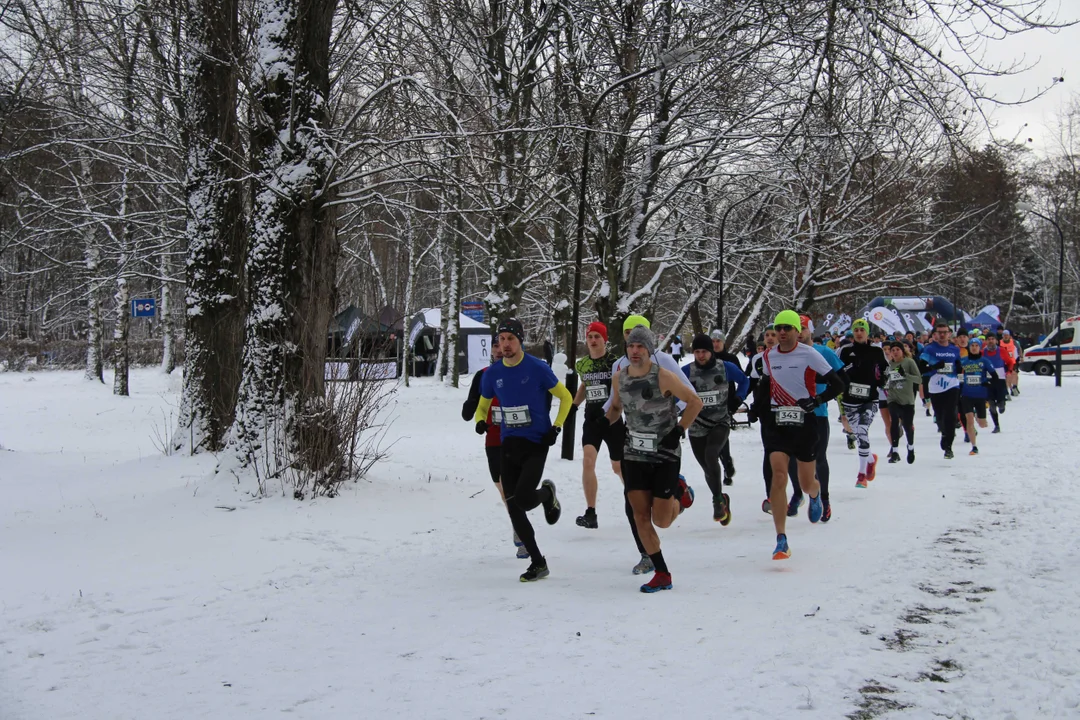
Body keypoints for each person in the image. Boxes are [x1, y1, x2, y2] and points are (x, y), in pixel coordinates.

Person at [604, 325, 703, 592]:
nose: (635, 351)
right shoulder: (619, 378)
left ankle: (679, 493)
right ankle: (662, 573)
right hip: (633, 453)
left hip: (664, 454)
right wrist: (605, 422)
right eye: (631, 346)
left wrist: (680, 430)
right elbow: (615, 408)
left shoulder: (665, 377)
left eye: (641, 347)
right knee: (639, 516)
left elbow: (695, 402)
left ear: (649, 350)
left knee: (662, 520)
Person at [474, 318, 574, 582]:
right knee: (513, 506)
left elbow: (565, 397)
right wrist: (480, 421)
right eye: (501, 340)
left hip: (536, 442)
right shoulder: (492, 374)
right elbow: (482, 406)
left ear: (520, 341)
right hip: (509, 443)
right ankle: (538, 562)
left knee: (524, 498)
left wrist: (557, 427)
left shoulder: (537, 368)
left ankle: (547, 493)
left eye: (511, 339)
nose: (505, 345)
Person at [754, 310, 844, 560]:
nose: (782, 332)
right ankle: (781, 538)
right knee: (779, 476)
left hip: (805, 423)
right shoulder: (768, 356)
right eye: (778, 328)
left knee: (806, 481)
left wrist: (816, 400)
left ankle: (814, 495)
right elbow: (766, 386)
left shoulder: (809, 354)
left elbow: (838, 384)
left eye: (787, 328)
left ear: (796, 331)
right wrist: (757, 409)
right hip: (778, 423)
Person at [461, 339, 526, 558]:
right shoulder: (484, 375)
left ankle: (522, 530)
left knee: (515, 488)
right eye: (495, 346)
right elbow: (470, 408)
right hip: (494, 439)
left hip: (519, 437)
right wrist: (471, 408)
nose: (499, 350)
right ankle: (519, 525)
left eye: (503, 345)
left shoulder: (522, 371)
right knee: (503, 488)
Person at [682, 333, 749, 524]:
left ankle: (717, 501)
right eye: (697, 352)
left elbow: (744, 380)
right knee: (708, 468)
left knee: (712, 455)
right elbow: (674, 391)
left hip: (720, 422)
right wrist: (680, 406)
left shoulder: (725, 367)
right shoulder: (687, 371)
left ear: (711, 352)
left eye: (704, 351)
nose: (701, 356)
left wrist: (738, 398)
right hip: (696, 425)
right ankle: (721, 497)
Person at [785, 315, 845, 522]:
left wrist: (820, 397)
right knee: (791, 459)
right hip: (791, 414)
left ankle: (824, 500)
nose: (799, 332)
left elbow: (842, 380)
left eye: (802, 328)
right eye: (796, 328)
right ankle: (798, 493)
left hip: (817, 415)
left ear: (810, 330)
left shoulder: (824, 352)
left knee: (818, 458)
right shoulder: (785, 353)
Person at [572, 321, 624, 530]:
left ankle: (636, 501)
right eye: (590, 336)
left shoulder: (615, 363)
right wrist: (574, 405)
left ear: (605, 340)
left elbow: (620, 392)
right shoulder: (582, 364)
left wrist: (612, 410)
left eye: (597, 337)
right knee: (587, 462)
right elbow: (586, 384)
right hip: (591, 420)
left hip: (612, 420)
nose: (593, 341)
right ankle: (590, 512)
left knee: (618, 467)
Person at [838, 319, 888, 488]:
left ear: (867, 333)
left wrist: (883, 379)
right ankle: (871, 459)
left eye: (862, 330)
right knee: (859, 435)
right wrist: (846, 371)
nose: (859, 333)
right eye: (856, 330)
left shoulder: (876, 350)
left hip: (870, 398)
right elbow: (836, 370)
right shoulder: (845, 351)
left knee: (862, 430)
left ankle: (861, 475)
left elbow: (885, 369)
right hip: (850, 400)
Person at [747, 324, 779, 512]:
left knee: (788, 455)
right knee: (769, 453)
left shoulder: (790, 357)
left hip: (787, 409)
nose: (769, 338)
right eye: (767, 335)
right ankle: (771, 496)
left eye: (773, 335)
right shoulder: (758, 359)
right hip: (766, 411)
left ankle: (797, 491)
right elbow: (751, 384)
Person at [920, 322, 963, 459]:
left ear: (949, 334)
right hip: (936, 387)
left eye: (945, 332)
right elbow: (921, 368)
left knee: (951, 414)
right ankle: (944, 433)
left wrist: (960, 372)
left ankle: (949, 446)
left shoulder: (955, 349)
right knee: (940, 415)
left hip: (952, 385)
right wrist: (935, 366)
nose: (943, 334)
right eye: (940, 332)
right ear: (935, 334)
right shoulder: (929, 349)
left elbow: (959, 367)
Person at [709, 329, 743, 485]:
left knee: (721, 434)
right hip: (708, 403)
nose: (715, 344)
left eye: (718, 341)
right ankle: (718, 465)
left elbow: (742, 379)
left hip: (726, 402)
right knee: (711, 436)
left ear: (723, 343)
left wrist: (737, 399)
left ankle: (726, 463)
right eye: (713, 341)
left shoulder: (731, 359)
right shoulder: (707, 358)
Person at [885, 341, 921, 464]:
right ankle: (895, 451)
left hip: (907, 400)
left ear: (902, 351)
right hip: (893, 398)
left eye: (897, 350)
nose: (895, 352)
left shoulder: (909, 362)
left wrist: (905, 375)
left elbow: (919, 379)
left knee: (907, 426)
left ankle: (910, 447)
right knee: (894, 421)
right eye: (893, 350)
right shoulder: (889, 365)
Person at [959, 338, 996, 455]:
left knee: (982, 424)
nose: (974, 347)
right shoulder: (963, 361)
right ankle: (974, 447)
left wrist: (988, 383)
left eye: (976, 345)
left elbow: (995, 376)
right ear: (969, 347)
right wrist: (960, 385)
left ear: (980, 348)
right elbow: (959, 375)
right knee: (969, 421)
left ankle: (978, 418)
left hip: (980, 395)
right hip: (966, 394)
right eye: (972, 345)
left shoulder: (984, 361)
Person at [982, 333, 1007, 433]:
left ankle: (1002, 403)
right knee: (991, 404)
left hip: (1000, 379)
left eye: (993, 339)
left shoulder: (1001, 350)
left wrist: (1009, 369)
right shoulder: (983, 352)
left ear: (996, 341)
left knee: (1000, 403)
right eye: (989, 339)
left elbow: (1009, 361)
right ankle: (997, 426)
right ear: (986, 341)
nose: (991, 341)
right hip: (989, 380)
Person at [1000, 330, 1020, 396]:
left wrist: (1021, 357)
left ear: (1009, 336)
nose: (1006, 336)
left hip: (1013, 360)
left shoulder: (1014, 342)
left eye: (1007, 335)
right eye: (1004, 335)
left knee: (1014, 374)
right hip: (1004, 361)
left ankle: (1014, 387)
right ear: (1002, 336)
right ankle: (1009, 389)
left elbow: (1019, 349)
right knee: (1007, 376)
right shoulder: (1000, 342)